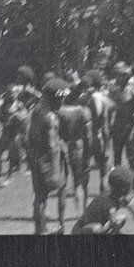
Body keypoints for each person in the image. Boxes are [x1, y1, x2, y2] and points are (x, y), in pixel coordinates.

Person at [28, 78, 68, 234]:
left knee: (39, 197)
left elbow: (30, 136)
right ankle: (55, 227)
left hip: (36, 157)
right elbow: (52, 145)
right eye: (61, 98)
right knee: (57, 190)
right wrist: (54, 171)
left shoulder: (37, 110)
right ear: (54, 98)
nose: (63, 102)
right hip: (48, 160)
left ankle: (40, 229)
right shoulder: (50, 117)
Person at [58, 82, 94, 217]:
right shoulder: (84, 111)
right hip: (77, 148)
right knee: (78, 182)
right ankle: (81, 213)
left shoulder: (60, 111)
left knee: (62, 185)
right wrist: (89, 155)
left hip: (62, 147)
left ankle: (61, 219)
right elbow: (88, 136)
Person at [78, 69, 114, 193]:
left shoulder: (82, 98)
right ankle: (101, 197)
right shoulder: (103, 99)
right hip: (99, 138)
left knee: (84, 171)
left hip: (85, 137)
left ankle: (84, 200)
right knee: (103, 172)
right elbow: (105, 125)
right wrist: (107, 145)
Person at [72, 166, 134, 234]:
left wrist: (125, 202)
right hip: (79, 232)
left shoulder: (111, 194)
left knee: (119, 220)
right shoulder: (107, 203)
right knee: (101, 226)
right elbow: (112, 215)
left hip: (88, 228)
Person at [110, 62, 134, 167]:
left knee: (131, 156)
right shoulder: (115, 90)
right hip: (117, 127)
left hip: (128, 128)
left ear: (126, 76)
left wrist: (133, 129)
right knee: (116, 157)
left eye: (120, 75)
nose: (117, 78)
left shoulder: (133, 91)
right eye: (116, 75)